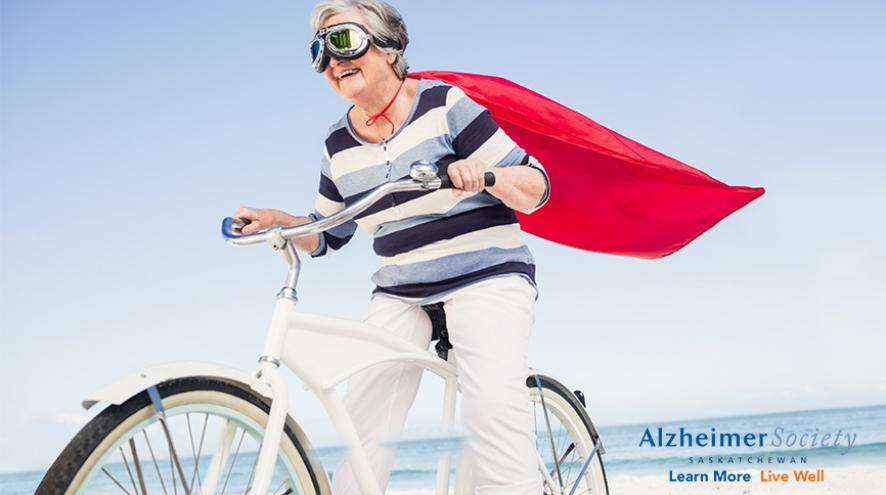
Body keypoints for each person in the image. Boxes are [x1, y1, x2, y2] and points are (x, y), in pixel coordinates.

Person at [233, 1, 550, 493]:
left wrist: (483, 176)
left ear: (388, 47)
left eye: (344, 41)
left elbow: (535, 184)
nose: (332, 60)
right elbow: (332, 230)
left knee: (491, 408)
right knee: (362, 426)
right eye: (319, 51)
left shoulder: (444, 105)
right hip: (402, 291)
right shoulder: (338, 143)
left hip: (487, 275)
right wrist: (284, 221)